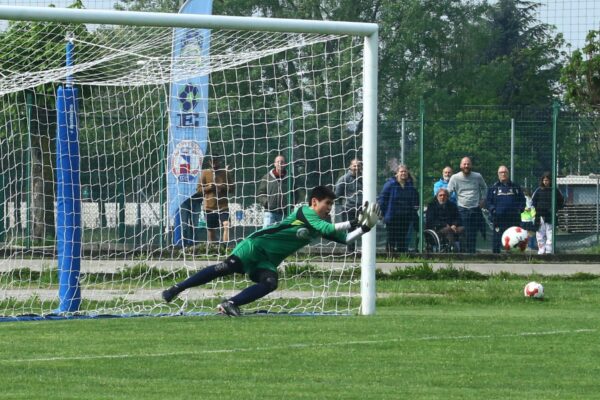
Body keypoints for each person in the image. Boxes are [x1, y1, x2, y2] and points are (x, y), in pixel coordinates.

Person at [162, 186, 381, 316]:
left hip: (267, 260)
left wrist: (364, 228)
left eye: (332, 204)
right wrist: (354, 220)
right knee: (224, 269)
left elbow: (345, 239)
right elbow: (327, 228)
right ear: (314, 202)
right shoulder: (305, 212)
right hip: (255, 246)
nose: (330, 208)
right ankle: (177, 288)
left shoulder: (323, 221)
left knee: (270, 283)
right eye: (327, 203)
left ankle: (230, 304)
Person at [447, 156, 487, 253]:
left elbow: (484, 188)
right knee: (464, 233)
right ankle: (464, 253)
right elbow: (448, 191)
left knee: (474, 233)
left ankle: (472, 253)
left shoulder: (478, 176)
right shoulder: (455, 178)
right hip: (462, 209)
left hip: (475, 209)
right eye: (464, 164)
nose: (466, 166)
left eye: (468, 164)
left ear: (471, 165)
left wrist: (483, 199)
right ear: (460, 165)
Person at [378, 165, 419, 254]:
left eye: (405, 171)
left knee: (402, 238)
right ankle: (389, 256)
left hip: (405, 216)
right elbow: (382, 199)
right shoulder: (390, 184)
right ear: (397, 173)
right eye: (401, 171)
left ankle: (401, 257)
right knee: (391, 237)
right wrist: (382, 213)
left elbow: (415, 199)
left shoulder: (410, 186)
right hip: (392, 216)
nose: (403, 173)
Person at [486, 166, 526, 253]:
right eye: (501, 172)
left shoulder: (515, 187)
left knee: (514, 238)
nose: (503, 174)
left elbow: (522, 200)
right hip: (498, 219)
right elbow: (488, 202)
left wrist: (520, 209)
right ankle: (496, 257)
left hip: (513, 219)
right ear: (498, 174)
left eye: (505, 172)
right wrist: (493, 210)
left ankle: (514, 256)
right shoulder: (493, 188)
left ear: (508, 174)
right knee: (496, 239)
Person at [257, 155, 299, 228]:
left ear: (285, 164)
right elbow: (261, 193)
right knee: (266, 234)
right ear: (274, 164)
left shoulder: (290, 178)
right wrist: (266, 202)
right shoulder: (267, 177)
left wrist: (291, 204)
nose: (280, 163)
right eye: (278, 162)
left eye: (282, 162)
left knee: (282, 235)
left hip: (285, 214)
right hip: (270, 213)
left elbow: (296, 193)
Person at [201, 155, 233, 244]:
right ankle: (213, 248)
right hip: (209, 207)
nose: (214, 164)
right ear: (209, 162)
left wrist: (222, 187)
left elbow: (232, 188)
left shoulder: (225, 173)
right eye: (212, 162)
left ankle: (225, 247)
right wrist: (208, 187)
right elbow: (199, 189)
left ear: (219, 161)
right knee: (211, 229)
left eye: (216, 161)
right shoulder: (204, 173)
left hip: (223, 206)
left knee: (226, 225)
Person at [532, 172, 565, 255]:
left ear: (550, 181)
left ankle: (549, 251)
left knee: (550, 235)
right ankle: (541, 251)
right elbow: (533, 202)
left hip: (550, 216)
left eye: (547, 180)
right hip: (540, 216)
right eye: (544, 180)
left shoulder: (555, 190)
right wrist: (536, 211)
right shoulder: (538, 190)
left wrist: (555, 209)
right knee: (540, 234)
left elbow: (561, 201)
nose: (545, 182)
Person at [334, 158, 363, 251]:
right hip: (349, 208)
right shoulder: (344, 179)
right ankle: (350, 251)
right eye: (355, 165)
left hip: (362, 209)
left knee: (364, 230)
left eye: (358, 165)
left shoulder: (365, 178)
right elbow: (337, 194)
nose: (357, 167)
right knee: (351, 230)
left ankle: (364, 251)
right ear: (350, 166)